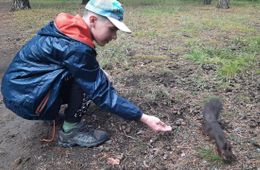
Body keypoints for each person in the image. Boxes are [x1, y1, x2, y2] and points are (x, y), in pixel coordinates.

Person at [1, 0, 172, 147]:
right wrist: (143, 117)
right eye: (112, 29)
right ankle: (69, 132)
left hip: (20, 90)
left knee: (92, 75)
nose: (114, 37)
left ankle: (50, 112)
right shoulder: (76, 47)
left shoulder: (68, 31)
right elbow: (102, 94)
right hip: (26, 98)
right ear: (92, 20)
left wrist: (98, 72)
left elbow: (69, 63)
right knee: (87, 83)